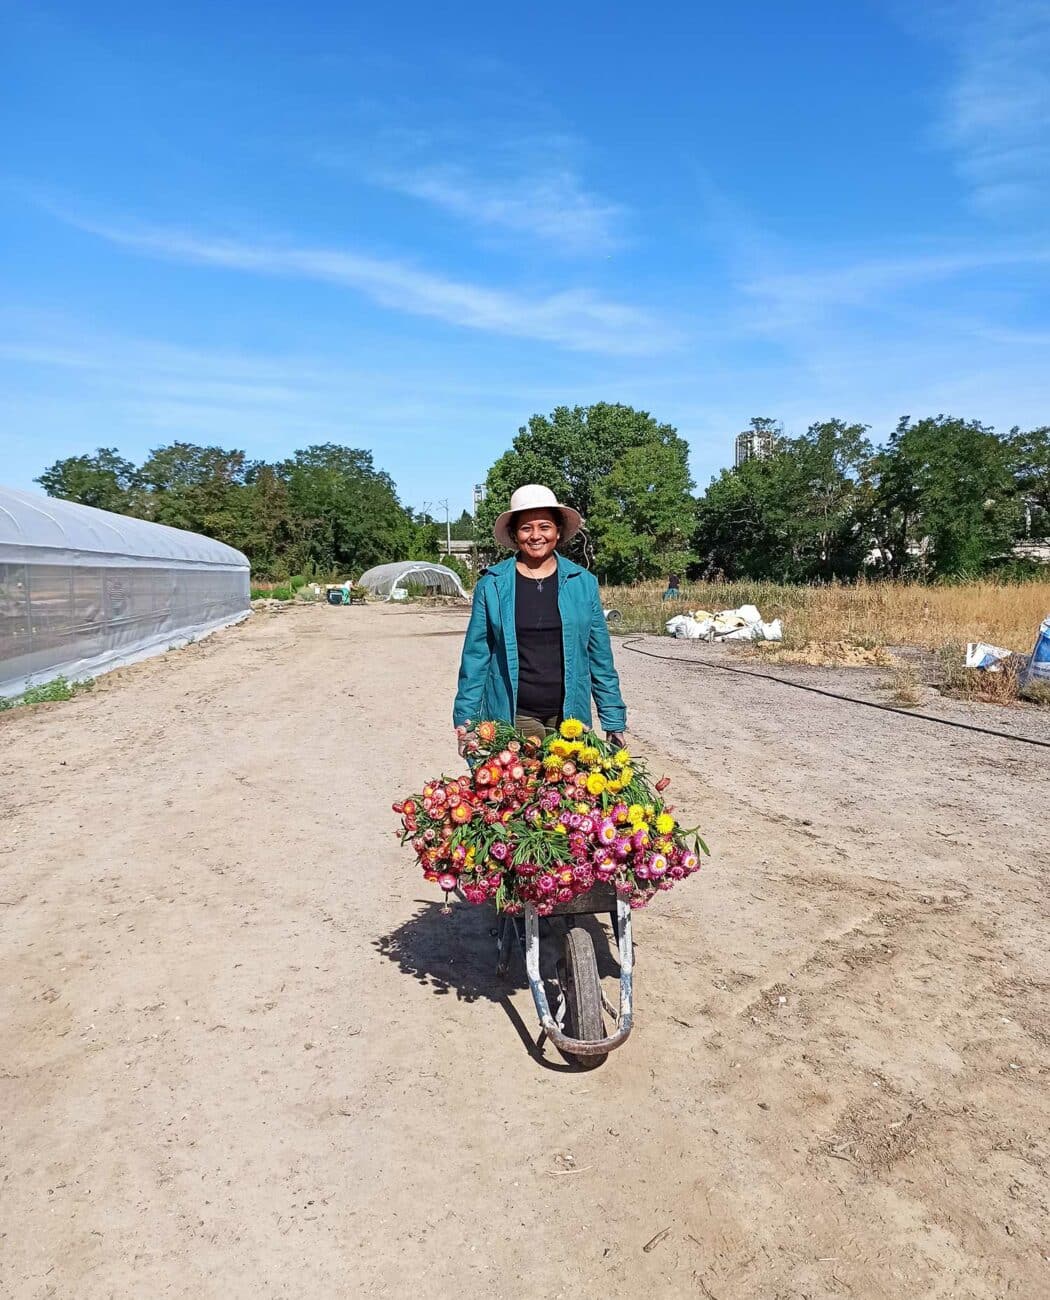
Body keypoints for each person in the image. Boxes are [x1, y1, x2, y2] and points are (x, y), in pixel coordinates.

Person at [453, 484, 627, 750]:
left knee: (568, 790)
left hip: (569, 718)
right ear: (514, 534)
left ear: (557, 532)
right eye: (526, 528)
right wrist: (467, 723)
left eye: (544, 526)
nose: (536, 536)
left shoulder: (582, 583)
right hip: (515, 715)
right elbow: (476, 658)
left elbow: (600, 657)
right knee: (520, 789)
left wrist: (613, 723)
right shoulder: (493, 585)